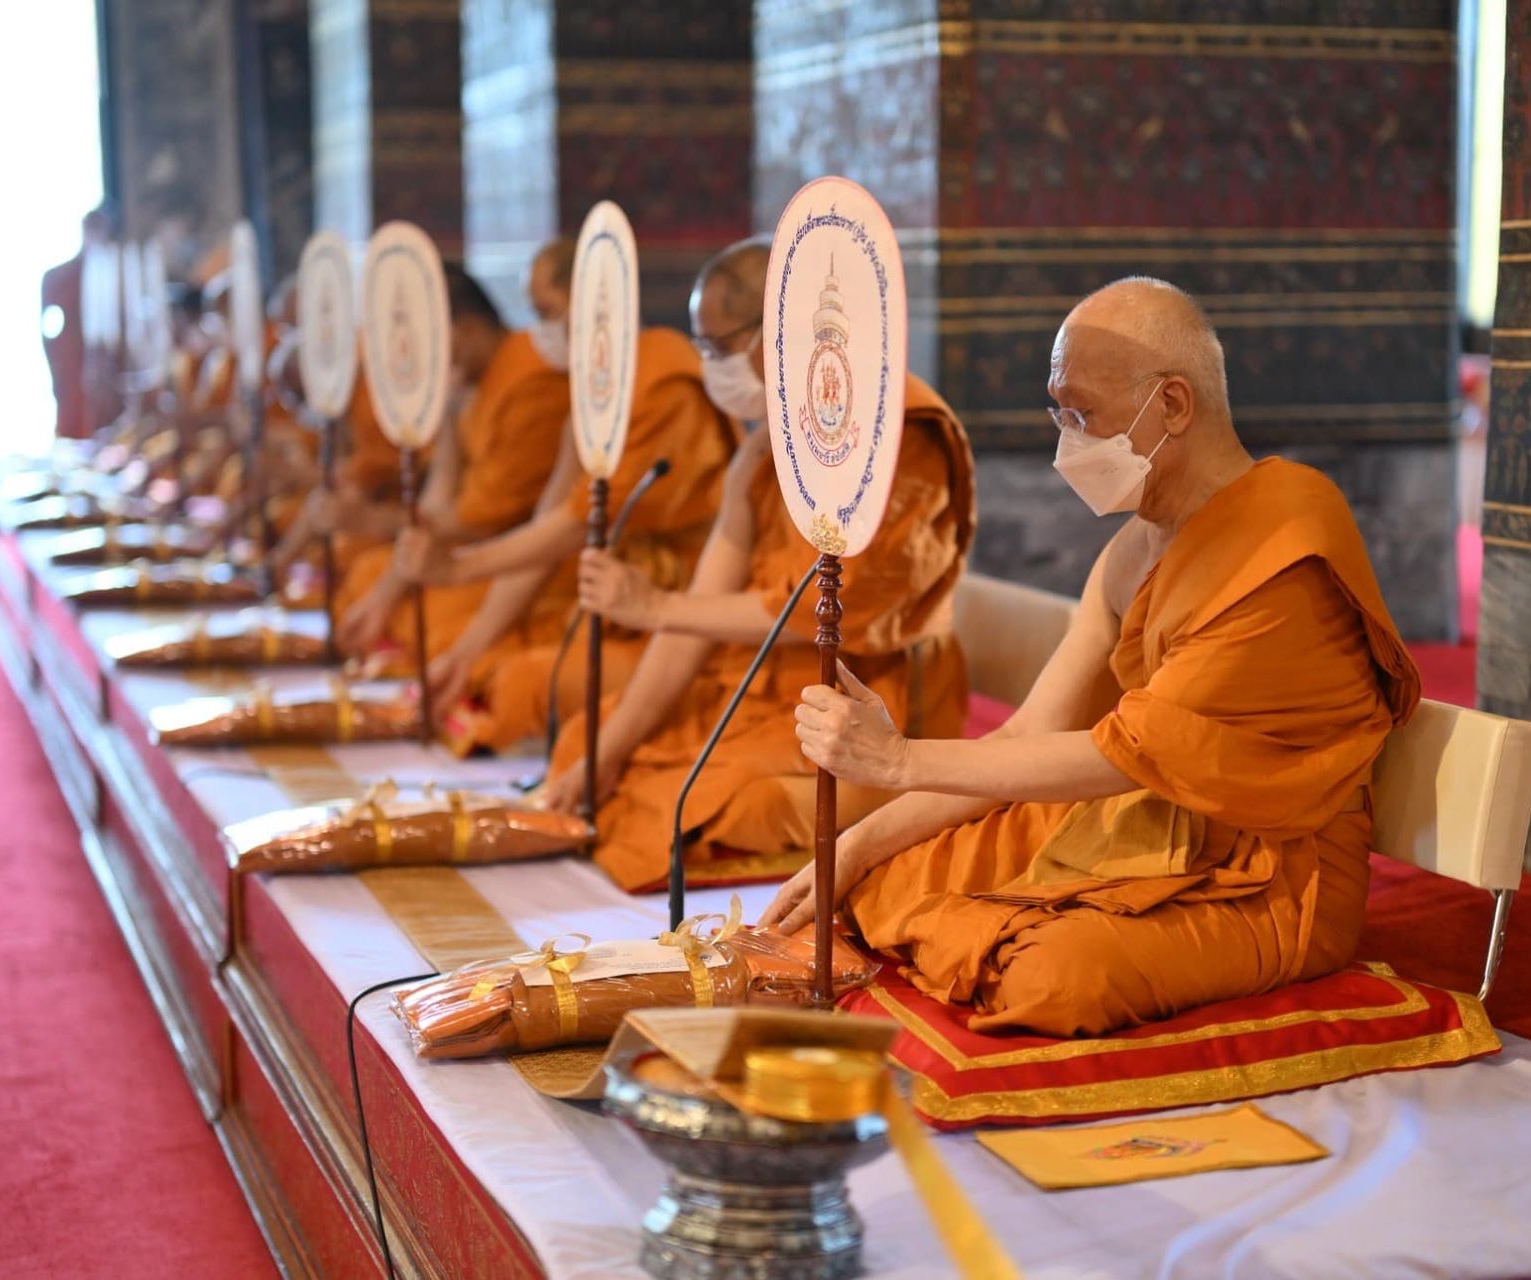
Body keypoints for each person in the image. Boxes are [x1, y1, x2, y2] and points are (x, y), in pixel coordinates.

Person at [759, 277, 1421, 1038]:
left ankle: (1014, 939)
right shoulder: (1130, 551)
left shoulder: (1282, 537)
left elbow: (1123, 758)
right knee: (884, 878)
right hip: (1140, 822)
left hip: (1268, 875)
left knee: (1059, 977)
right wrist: (854, 845)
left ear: (1173, 405)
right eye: (1059, 414)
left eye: (1083, 416)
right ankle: (981, 924)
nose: (1066, 445)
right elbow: (1028, 733)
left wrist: (902, 761)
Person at [534, 237, 975, 892]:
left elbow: (828, 614)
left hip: (864, 698)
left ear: (778, 330)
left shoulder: (898, 432)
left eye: (716, 347)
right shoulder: (771, 438)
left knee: (737, 804)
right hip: (761, 682)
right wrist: (614, 744)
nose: (710, 366)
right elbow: (697, 615)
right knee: (591, 743)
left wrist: (654, 605)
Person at [348, 239, 740, 752]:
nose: (541, 334)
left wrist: (460, 568)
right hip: (604, 595)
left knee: (521, 682)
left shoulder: (662, 387)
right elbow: (551, 518)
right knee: (459, 640)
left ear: (598, 302)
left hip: (674, 610)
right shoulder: (591, 394)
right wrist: (469, 648)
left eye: (548, 313)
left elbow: (563, 528)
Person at [274, 250, 563, 617]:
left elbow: (483, 522)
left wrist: (377, 522)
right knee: (367, 573)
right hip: (454, 541)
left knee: (401, 599)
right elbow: (438, 492)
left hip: (526, 560)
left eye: (548, 314)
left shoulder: (531, 381)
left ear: (467, 327)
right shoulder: (470, 386)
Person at [40, 209, 107, 440]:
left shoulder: (112, 280)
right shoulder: (59, 278)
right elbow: (50, 332)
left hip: (103, 372)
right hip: (71, 367)